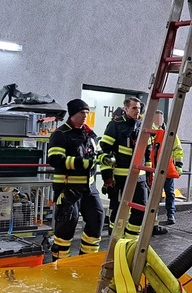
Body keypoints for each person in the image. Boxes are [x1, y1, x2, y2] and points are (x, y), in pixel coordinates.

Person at [47, 99, 106, 260]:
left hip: (89, 190)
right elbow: (55, 159)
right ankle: (60, 264)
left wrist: (105, 157)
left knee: (97, 220)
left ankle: (86, 261)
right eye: (82, 112)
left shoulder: (90, 134)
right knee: (66, 227)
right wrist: (82, 163)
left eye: (87, 112)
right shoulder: (60, 135)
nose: (85, 116)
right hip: (68, 189)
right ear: (73, 114)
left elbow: (97, 153)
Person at [99, 97, 167, 238]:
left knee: (141, 209)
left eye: (139, 108)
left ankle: (131, 240)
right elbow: (105, 151)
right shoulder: (115, 125)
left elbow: (148, 153)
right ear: (126, 109)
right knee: (118, 210)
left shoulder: (143, 126)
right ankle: (115, 238)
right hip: (120, 177)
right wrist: (107, 178)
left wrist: (149, 175)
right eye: (134, 108)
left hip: (139, 177)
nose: (138, 111)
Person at [150, 110, 184, 225]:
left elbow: (178, 149)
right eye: (156, 117)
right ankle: (153, 217)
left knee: (169, 192)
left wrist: (178, 165)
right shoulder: (150, 132)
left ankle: (171, 215)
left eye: (160, 117)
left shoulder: (170, 133)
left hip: (166, 167)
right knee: (153, 193)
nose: (158, 120)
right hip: (152, 169)